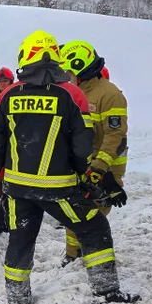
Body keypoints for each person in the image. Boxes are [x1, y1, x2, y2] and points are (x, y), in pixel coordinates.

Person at [0, 30, 139, 304]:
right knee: (94, 227)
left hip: (17, 188)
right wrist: (93, 180)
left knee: (20, 240)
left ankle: (17, 302)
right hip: (59, 188)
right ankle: (106, 290)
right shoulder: (73, 95)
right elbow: (82, 147)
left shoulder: (7, 95)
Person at [58, 40, 129, 266]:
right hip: (81, 165)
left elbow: (115, 137)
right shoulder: (71, 92)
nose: (65, 75)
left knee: (94, 214)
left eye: (68, 70)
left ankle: (97, 260)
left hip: (104, 167)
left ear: (80, 67)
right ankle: (72, 254)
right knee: (74, 209)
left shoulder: (109, 95)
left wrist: (100, 170)